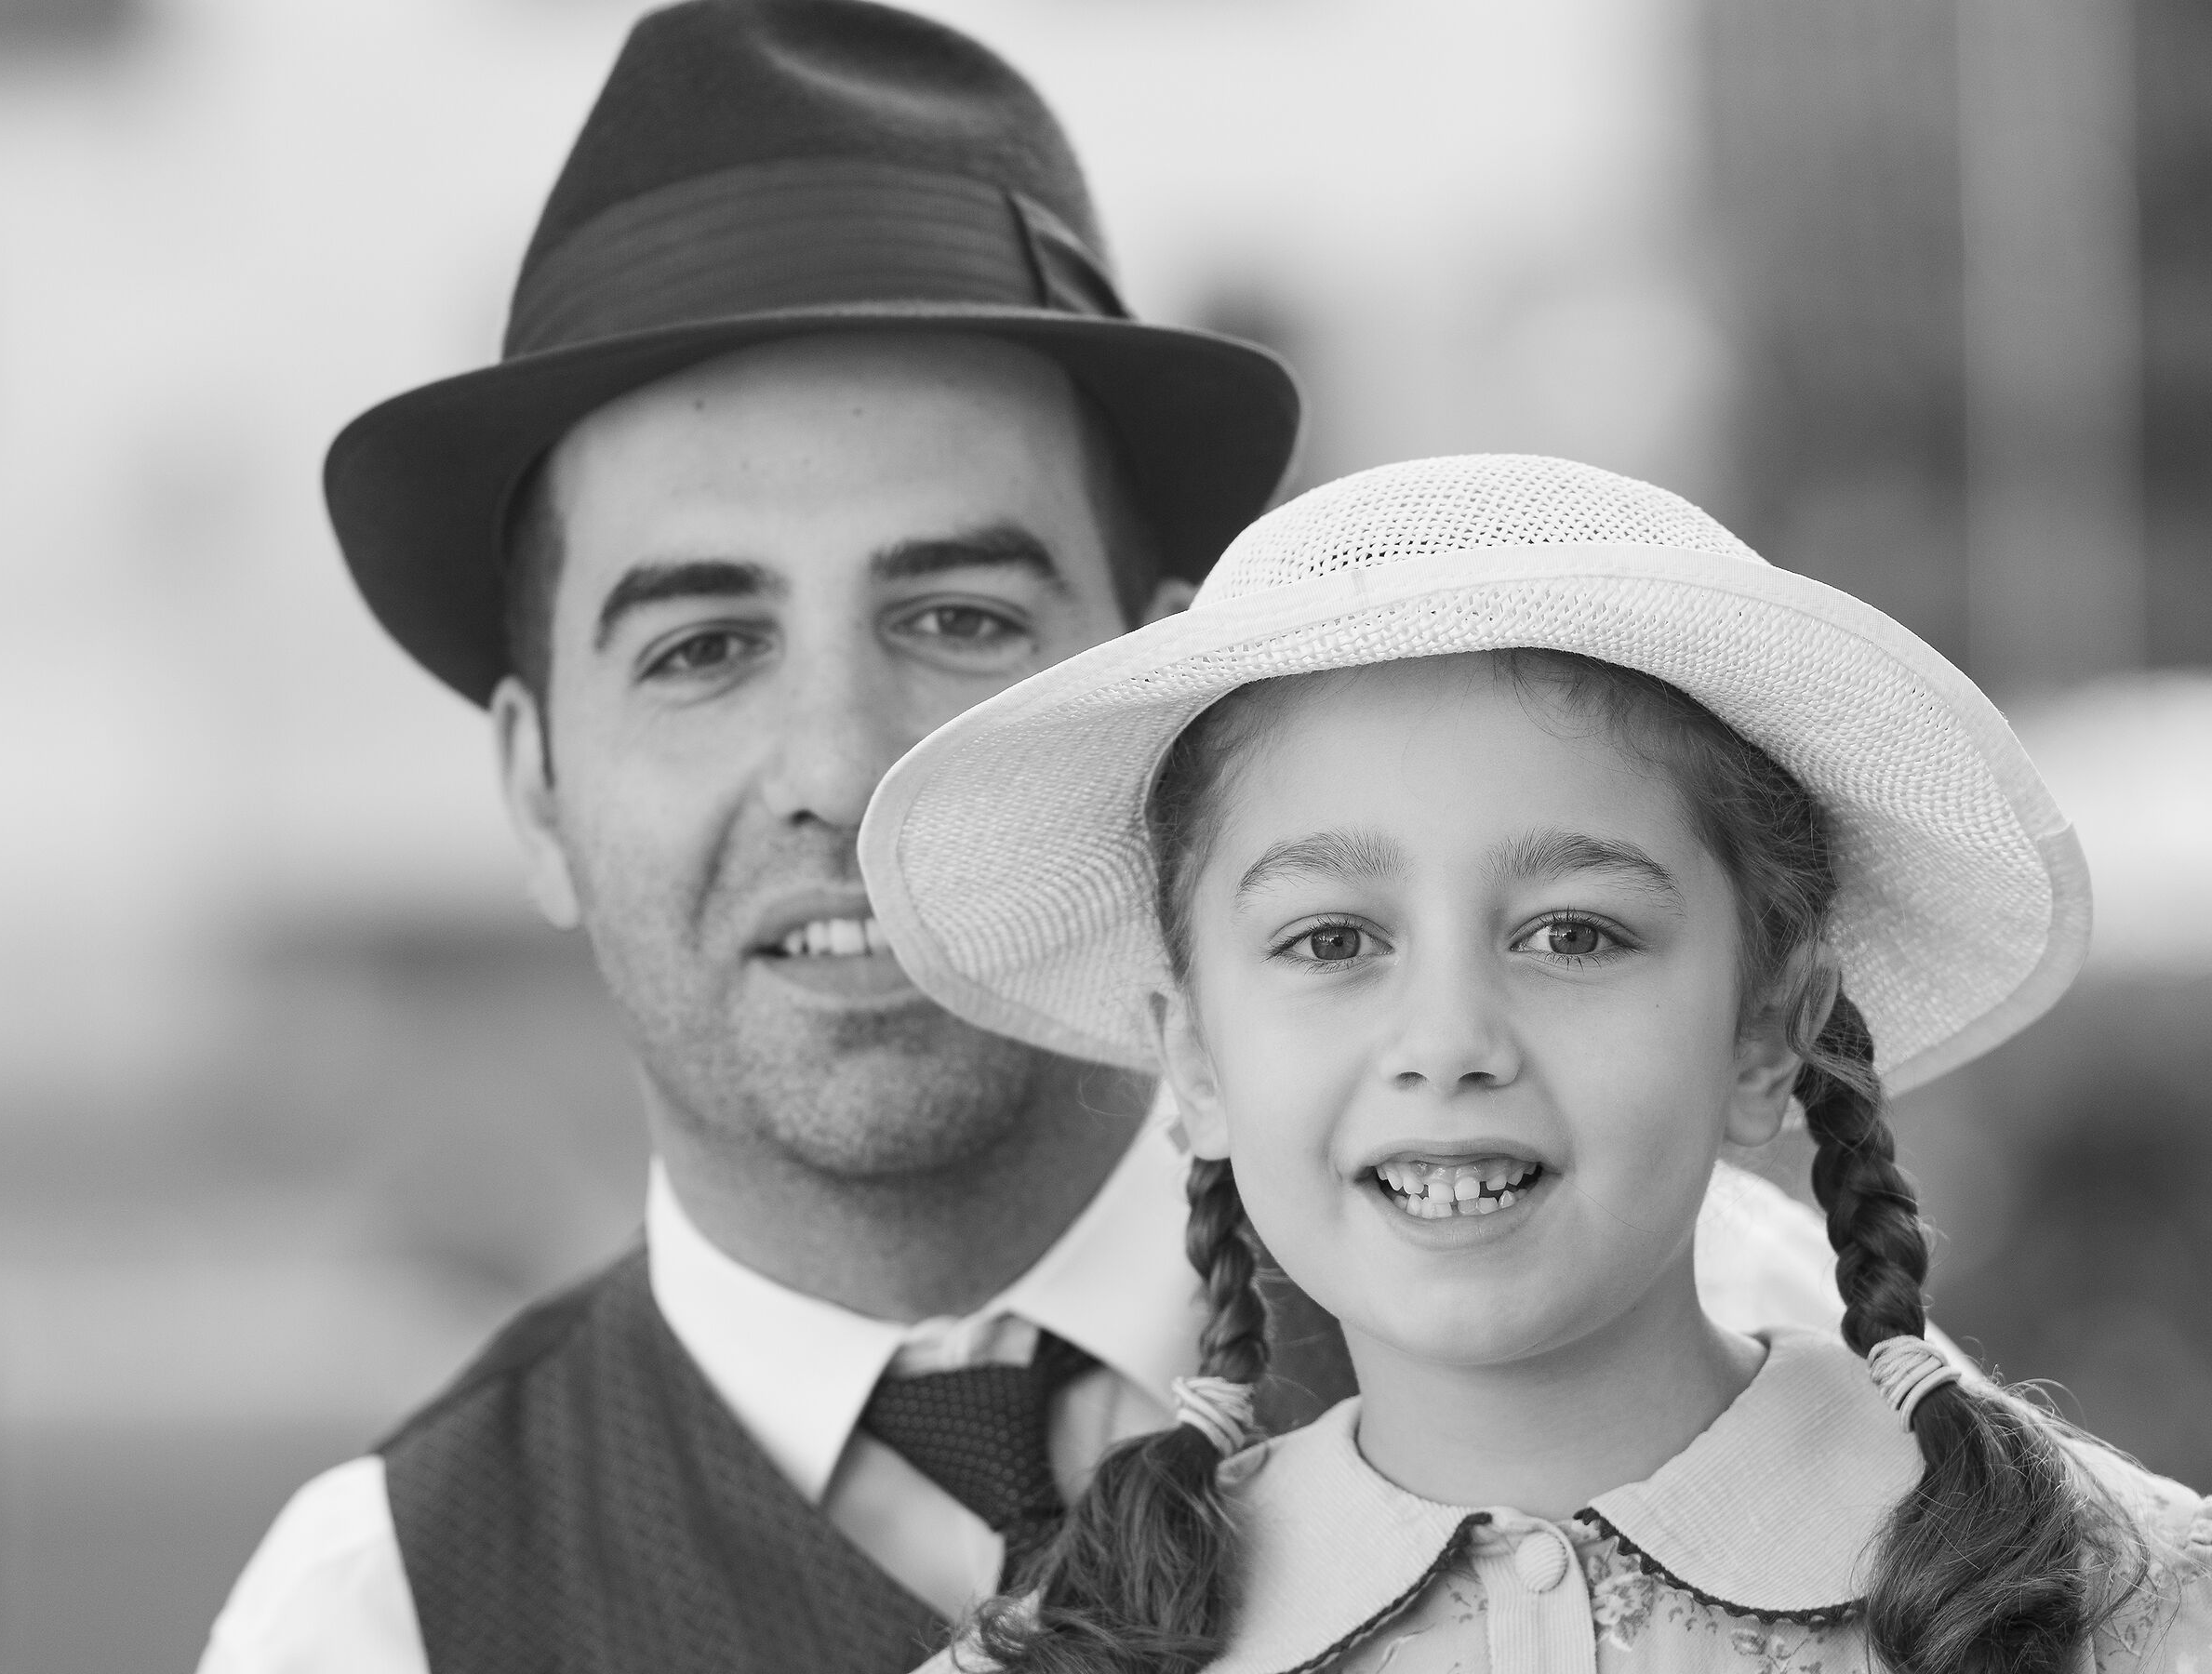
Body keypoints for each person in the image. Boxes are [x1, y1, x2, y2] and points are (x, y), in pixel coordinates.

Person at [199, 6, 1873, 1671]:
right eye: (701, 649)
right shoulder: (382, 1619)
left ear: (1153, 739)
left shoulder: (1756, 1364)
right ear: (535, 790)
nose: (847, 769)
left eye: (958, 615)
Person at [862, 453, 2212, 1674]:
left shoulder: (2116, 1604)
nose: (1449, 1041)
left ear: (1768, 1031)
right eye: (1332, 939)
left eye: (1574, 933)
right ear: (1196, 1058)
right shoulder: (1078, 1662)